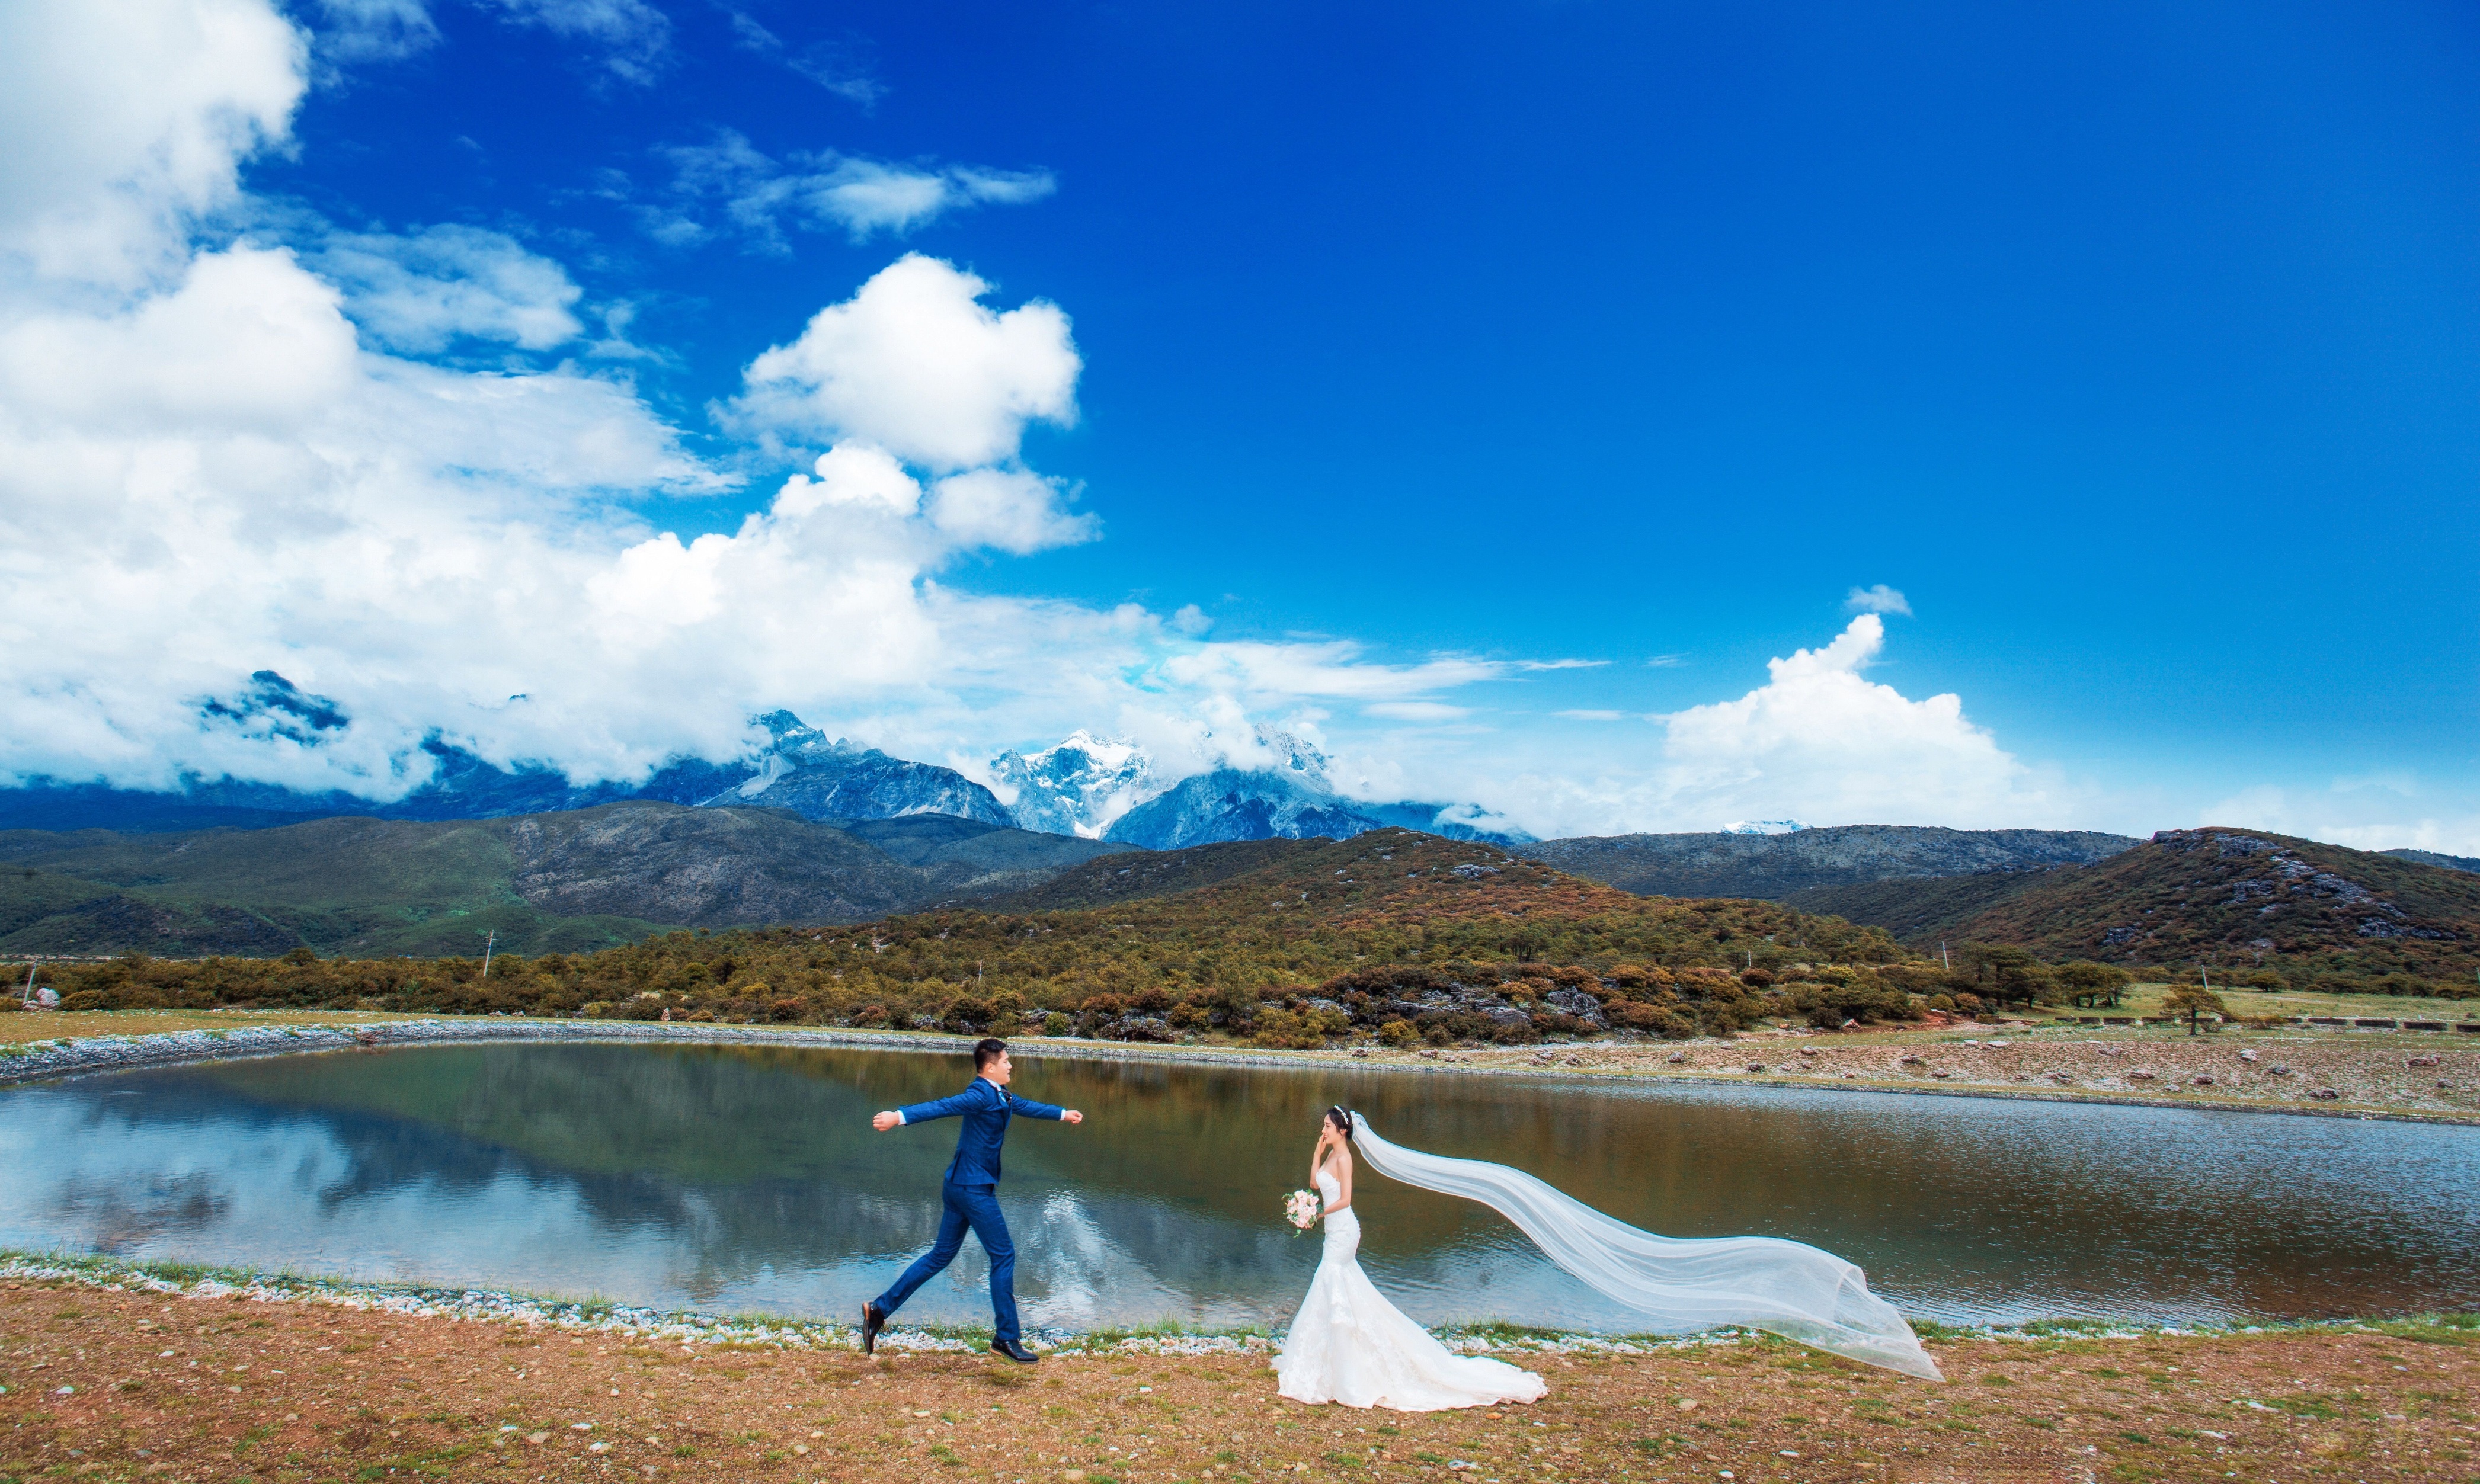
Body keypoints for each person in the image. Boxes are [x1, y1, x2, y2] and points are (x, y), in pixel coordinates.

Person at [1273, 1107, 1547, 1409]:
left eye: (1327, 1126)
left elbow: (1346, 1199)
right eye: (1323, 1126)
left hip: (1344, 1231)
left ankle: (1348, 1366)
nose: (1323, 1130)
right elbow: (1315, 1184)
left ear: (1343, 1131)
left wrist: (1319, 1214)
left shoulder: (1346, 1158)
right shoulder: (1330, 1154)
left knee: (1332, 1279)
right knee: (1341, 1287)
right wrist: (1316, 1152)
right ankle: (1333, 1361)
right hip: (1334, 1231)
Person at [862, 1038, 1083, 1363]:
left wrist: (1063, 1114)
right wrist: (899, 1116)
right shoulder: (981, 1093)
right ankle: (1006, 1338)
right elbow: (944, 1106)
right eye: (1006, 1061)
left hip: (959, 1185)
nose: (1011, 1065)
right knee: (1004, 1255)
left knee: (940, 1256)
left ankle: (879, 1310)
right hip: (972, 1189)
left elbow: (1023, 1105)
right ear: (990, 1067)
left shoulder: (1000, 1093)